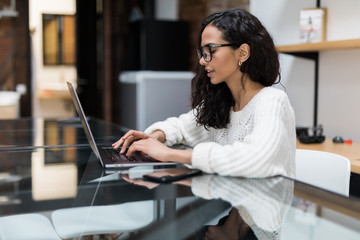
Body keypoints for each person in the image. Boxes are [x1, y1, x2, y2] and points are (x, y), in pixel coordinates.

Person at [113, 8, 296, 178]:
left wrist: (170, 154)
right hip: (230, 205)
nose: (202, 61)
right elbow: (182, 127)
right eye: (202, 52)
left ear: (242, 53)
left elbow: (257, 159)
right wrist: (154, 137)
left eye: (210, 51)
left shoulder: (272, 101)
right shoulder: (224, 103)